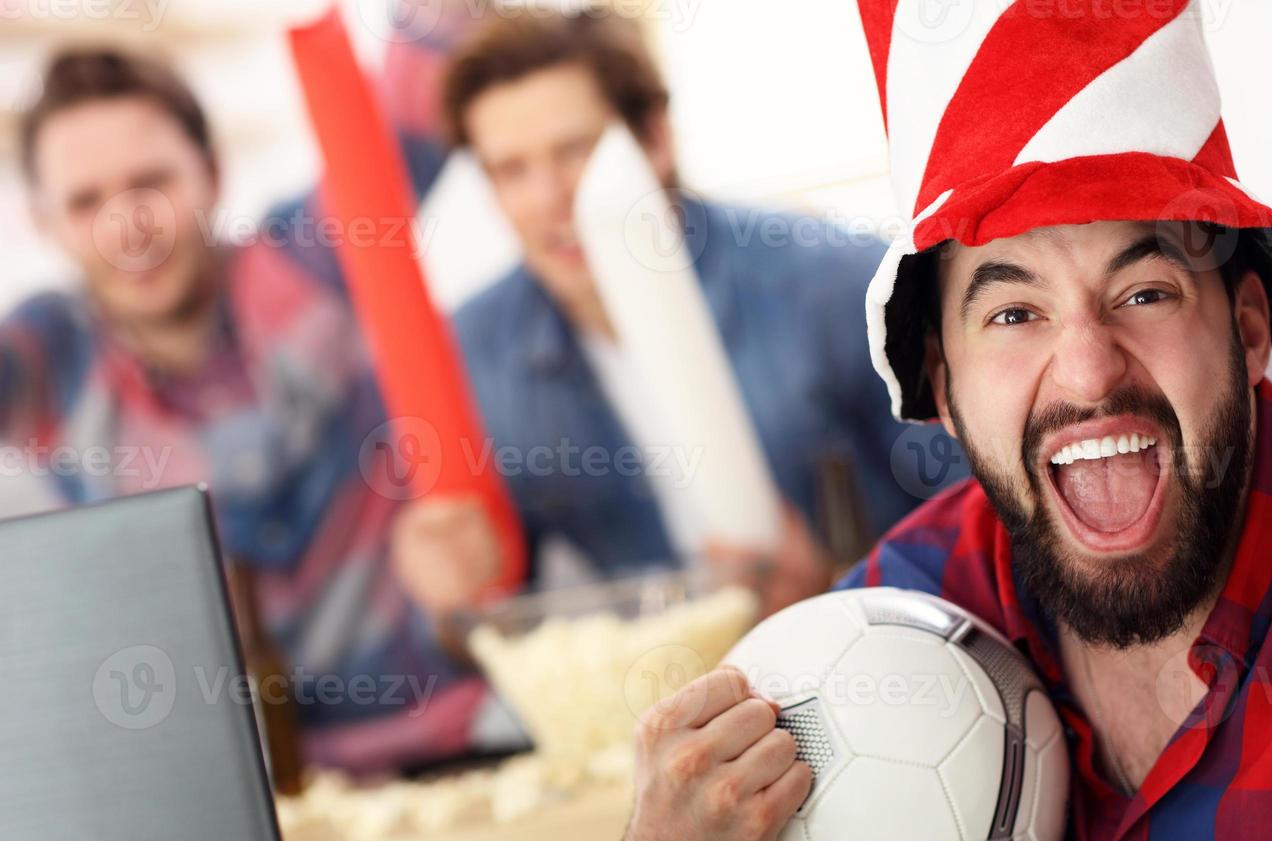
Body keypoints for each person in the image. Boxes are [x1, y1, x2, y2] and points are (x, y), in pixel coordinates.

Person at [615, 3, 1272, 841]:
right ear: (941, 384)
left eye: (1145, 293)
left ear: (1248, 328)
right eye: (1014, 311)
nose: (1088, 372)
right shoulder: (885, 631)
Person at [1, 31, 490, 772]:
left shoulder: (316, 254)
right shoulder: (47, 358)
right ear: (44, 223)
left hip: (442, 754)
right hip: (224, 796)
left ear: (212, 173)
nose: (127, 226)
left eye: (151, 182)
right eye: (85, 200)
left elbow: (427, 63)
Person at [389, 9, 963, 616]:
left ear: (654, 139)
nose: (547, 200)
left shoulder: (831, 284)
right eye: (510, 170)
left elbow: (990, 522)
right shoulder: (476, 353)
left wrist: (840, 590)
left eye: (575, 150)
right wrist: (451, 590)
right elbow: (485, 623)